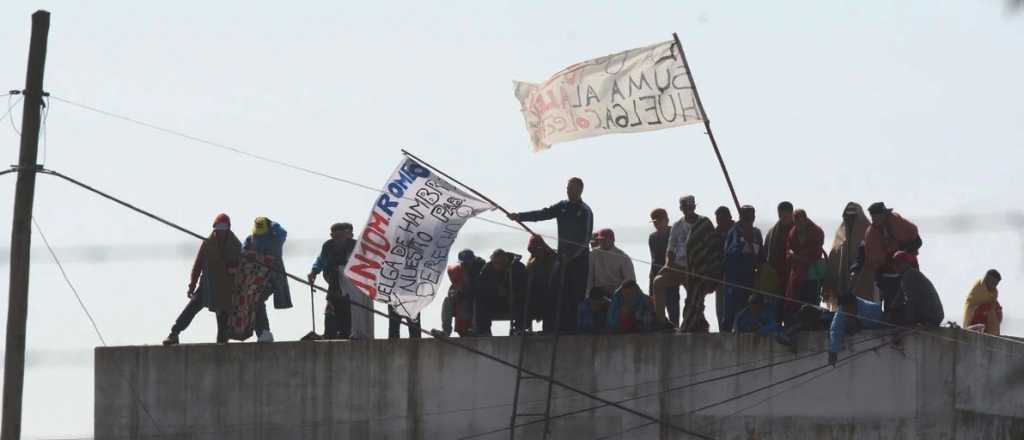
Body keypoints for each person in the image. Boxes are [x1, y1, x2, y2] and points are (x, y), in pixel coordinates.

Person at [508, 177, 593, 332]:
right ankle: (550, 328)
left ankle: (572, 330)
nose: (569, 191)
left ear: (580, 190)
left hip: (578, 261)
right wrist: (520, 216)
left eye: (572, 188)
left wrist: (572, 256)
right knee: (553, 292)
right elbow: (542, 214)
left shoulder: (585, 211)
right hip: (562, 259)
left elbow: (585, 239)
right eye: (567, 188)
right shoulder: (562, 206)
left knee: (574, 296)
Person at [163, 213, 241, 345]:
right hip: (207, 285)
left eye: (224, 227)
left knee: (223, 320)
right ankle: (174, 334)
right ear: (214, 228)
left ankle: (222, 345)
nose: (220, 231)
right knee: (191, 309)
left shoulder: (236, 245)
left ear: (228, 228)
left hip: (225, 288)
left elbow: (241, 267)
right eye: (218, 227)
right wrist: (192, 285)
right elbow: (198, 265)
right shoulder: (207, 244)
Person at [242, 217, 293, 343]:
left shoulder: (276, 239)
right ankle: (262, 333)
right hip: (254, 277)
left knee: (257, 300)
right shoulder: (250, 239)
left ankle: (264, 332)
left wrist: (273, 224)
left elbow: (283, 233)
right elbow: (242, 252)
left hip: (272, 277)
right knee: (252, 301)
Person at [864, 202, 921, 311]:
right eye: (873, 216)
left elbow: (917, 241)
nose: (876, 218)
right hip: (886, 274)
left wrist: (903, 251)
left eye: (880, 215)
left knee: (913, 296)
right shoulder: (871, 233)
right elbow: (873, 259)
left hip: (908, 270)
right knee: (890, 302)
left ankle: (914, 321)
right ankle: (891, 321)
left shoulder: (898, 223)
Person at [307, 222, 356, 340]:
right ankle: (330, 333)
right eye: (336, 237)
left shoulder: (354, 245)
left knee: (348, 312)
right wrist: (314, 272)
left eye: (342, 237)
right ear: (331, 236)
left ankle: (346, 332)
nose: (339, 240)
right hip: (334, 283)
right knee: (332, 310)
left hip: (350, 284)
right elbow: (321, 260)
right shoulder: (328, 246)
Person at [823, 203, 874, 308]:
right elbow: (834, 257)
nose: (850, 219)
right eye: (847, 216)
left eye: (853, 216)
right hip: (842, 280)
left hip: (863, 279)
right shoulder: (840, 234)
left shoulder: (869, 232)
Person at [722, 205, 763, 332]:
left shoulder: (756, 233)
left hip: (750, 277)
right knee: (730, 311)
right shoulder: (734, 232)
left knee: (748, 308)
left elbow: (761, 255)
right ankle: (726, 333)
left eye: (752, 215)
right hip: (734, 279)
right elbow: (729, 254)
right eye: (746, 215)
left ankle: (746, 330)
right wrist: (742, 243)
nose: (750, 218)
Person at [471, 249, 526, 336]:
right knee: (480, 301)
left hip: (514, 301)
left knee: (523, 300)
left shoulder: (518, 267)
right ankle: (484, 331)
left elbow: (524, 286)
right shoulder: (488, 268)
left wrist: (510, 292)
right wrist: (494, 291)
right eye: (495, 263)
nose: (498, 266)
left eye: (500, 263)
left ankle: (519, 329)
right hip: (495, 301)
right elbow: (480, 286)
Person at [783, 209, 824, 322]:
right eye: (795, 222)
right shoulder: (792, 233)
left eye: (800, 221)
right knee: (794, 301)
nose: (798, 224)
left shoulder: (816, 231)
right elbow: (788, 251)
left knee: (812, 301)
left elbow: (816, 252)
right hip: (797, 274)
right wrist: (795, 257)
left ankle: (812, 325)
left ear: (805, 219)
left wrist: (799, 256)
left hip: (812, 273)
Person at [828, 293, 886, 365]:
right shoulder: (841, 313)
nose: (847, 310)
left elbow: (882, 321)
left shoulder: (869, 309)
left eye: (849, 308)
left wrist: (860, 325)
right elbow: (835, 330)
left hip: (881, 320)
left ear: (854, 304)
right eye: (845, 308)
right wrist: (833, 352)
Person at [890, 251, 944, 327]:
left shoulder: (910, 275)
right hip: (935, 315)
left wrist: (909, 322)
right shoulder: (907, 275)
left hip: (933, 316)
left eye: (898, 264)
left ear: (906, 263)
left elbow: (911, 300)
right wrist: (891, 311)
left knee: (902, 310)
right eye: (894, 264)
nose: (895, 267)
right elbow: (898, 299)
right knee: (896, 310)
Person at [648, 209, 680, 327]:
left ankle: (675, 328)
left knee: (673, 307)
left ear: (666, 220)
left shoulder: (674, 234)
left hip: (672, 276)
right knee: (655, 309)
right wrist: (652, 280)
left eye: (659, 221)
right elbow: (653, 260)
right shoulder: (652, 237)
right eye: (655, 222)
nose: (657, 224)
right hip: (656, 275)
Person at [587, 228, 636, 300]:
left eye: (605, 239)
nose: (602, 242)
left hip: (618, 292)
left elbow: (630, 279)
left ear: (612, 240)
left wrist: (618, 290)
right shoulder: (593, 254)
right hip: (598, 291)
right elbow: (589, 276)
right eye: (600, 240)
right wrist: (588, 294)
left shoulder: (623, 257)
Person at [524, 235, 558, 333]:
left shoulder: (553, 258)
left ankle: (548, 328)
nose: (536, 252)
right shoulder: (532, 263)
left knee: (549, 300)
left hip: (550, 293)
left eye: (538, 249)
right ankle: (523, 327)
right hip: (534, 295)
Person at [763, 202, 795, 293]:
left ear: (791, 214)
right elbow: (765, 253)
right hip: (775, 276)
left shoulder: (799, 232)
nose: (783, 219)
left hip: (793, 276)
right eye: (781, 215)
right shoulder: (772, 233)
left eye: (786, 216)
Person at [714, 206, 736, 332]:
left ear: (729, 218)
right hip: (720, 276)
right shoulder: (715, 233)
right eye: (717, 220)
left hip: (736, 276)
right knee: (721, 308)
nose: (719, 222)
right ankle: (723, 330)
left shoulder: (738, 230)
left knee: (735, 305)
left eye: (722, 219)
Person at [963, 269, 1002, 335]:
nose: (995, 286)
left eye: (996, 284)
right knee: (990, 310)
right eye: (993, 283)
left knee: (997, 310)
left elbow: (994, 304)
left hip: (983, 318)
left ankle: (992, 335)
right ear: (988, 279)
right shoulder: (980, 288)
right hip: (972, 317)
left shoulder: (994, 291)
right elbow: (986, 305)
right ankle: (991, 335)